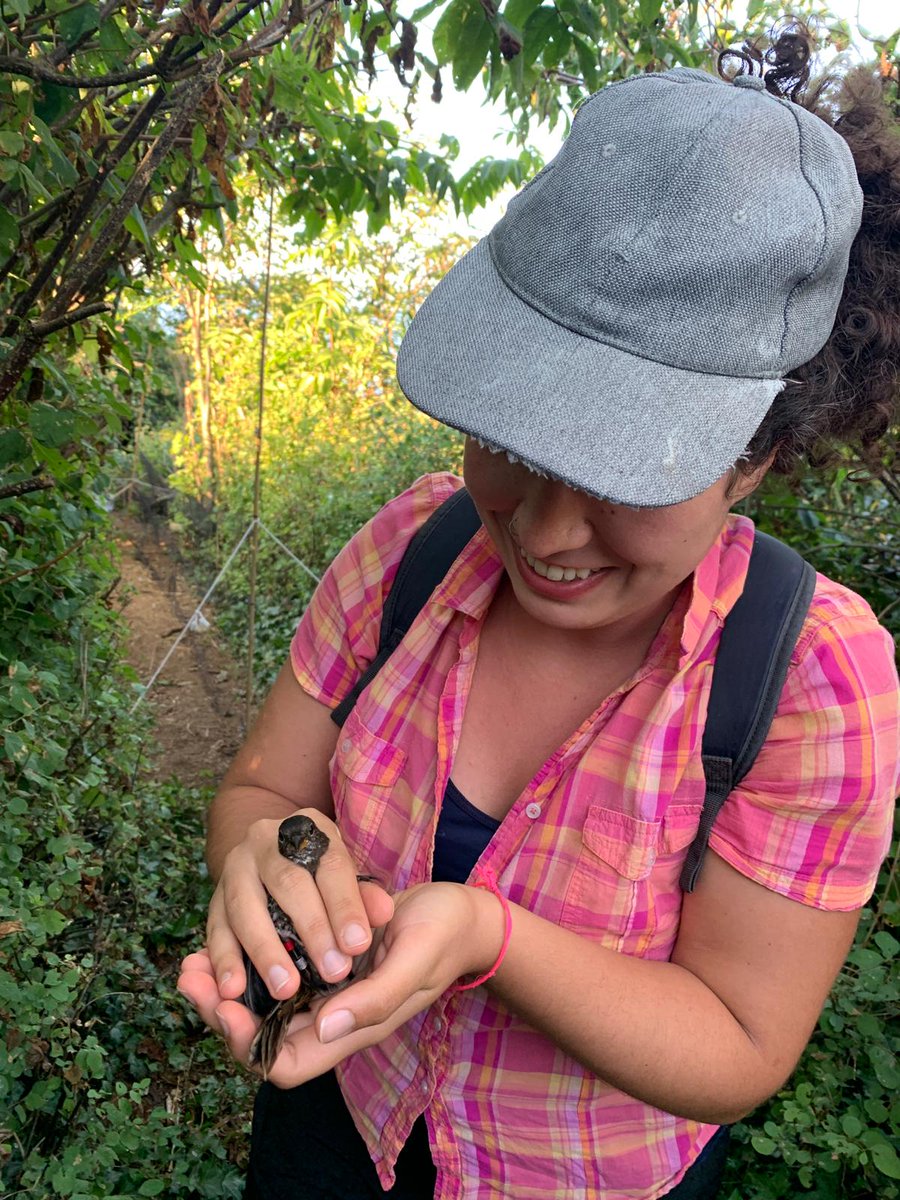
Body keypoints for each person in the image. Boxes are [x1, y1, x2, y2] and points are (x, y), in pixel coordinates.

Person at [177, 24, 900, 1200]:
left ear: (758, 450)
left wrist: (490, 940)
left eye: (629, 472)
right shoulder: (411, 550)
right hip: (338, 1122)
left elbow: (739, 1043)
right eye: (510, 441)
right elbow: (265, 792)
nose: (548, 532)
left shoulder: (811, 677)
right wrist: (264, 861)